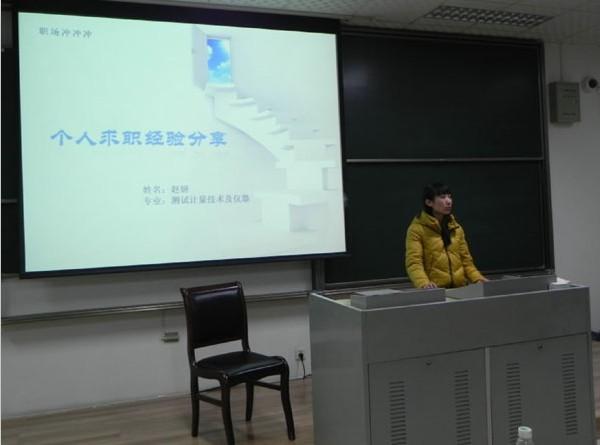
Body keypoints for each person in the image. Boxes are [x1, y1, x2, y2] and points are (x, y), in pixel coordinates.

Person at [405, 182, 488, 288]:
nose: (448, 201)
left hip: (460, 289)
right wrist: (424, 283)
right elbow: (414, 263)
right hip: (435, 291)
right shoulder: (416, 229)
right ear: (429, 202)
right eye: (442, 197)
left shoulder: (456, 228)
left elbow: (466, 261)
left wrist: (478, 279)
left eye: (450, 197)